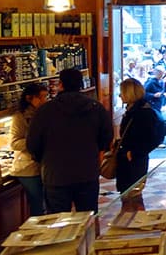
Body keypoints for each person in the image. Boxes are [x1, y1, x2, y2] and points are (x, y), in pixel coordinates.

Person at [27, 68, 113, 214]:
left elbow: (33, 144)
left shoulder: (45, 111)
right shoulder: (95, 108)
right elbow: (106, 137)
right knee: (88, 219)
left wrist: (43, 158)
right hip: (87, 171)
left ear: (60, 84)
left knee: (58, 223)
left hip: (55, 174)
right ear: (81, 84)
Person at [116, 78, 165, 193]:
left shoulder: (143, 112)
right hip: (128, 159)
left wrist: (134, 153)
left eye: (122, 92)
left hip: (135, 160)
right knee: (126, 194)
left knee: (132, 194)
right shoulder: (133, 110)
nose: (120, 95)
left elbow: (153, 138)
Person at [9, 82, 49, 216]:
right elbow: (14, 143)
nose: (45, 100)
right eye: (41, 97)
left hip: (43, 165)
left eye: (46, 96)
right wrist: (35, 142)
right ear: (29, 98)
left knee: (45, 203)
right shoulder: (19, 117)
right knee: (37, 205)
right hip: (27, 168)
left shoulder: (44, 114)